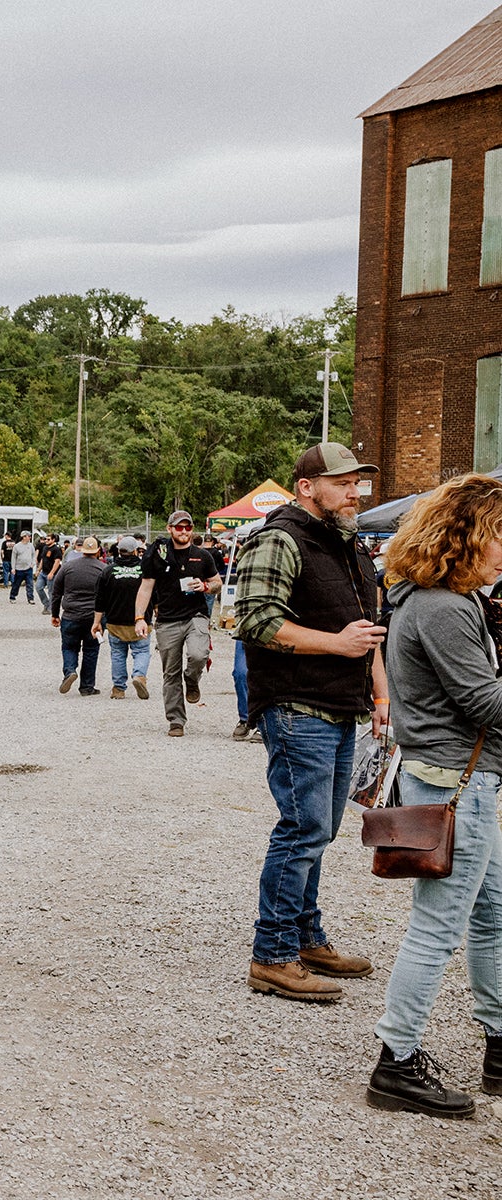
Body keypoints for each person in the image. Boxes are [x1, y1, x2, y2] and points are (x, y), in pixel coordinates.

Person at [364, 473, 502, 1118]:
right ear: (471, 536)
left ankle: (498, 1042)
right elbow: (483, 702)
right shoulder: (442, 608)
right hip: (457, 786)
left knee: (491, 913)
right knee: (438, 927)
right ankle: (396, 1061)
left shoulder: (442, 599)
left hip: (462, 780)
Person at [236, 444, 384, 1002]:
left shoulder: (344, 544)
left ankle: (304, 936)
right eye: (343, 483)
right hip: (297, 705)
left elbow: (368, 629)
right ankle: (271, 955)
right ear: (306, 487)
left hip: (340, 706)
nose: (355, 493)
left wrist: (380, 692)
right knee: (303, 828)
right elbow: (252, 620)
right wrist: (336, 645)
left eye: (357, 484)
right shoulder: (279, 537)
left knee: (319, 829)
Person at [133, 510, 220, 737]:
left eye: (187, 527)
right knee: (170, 673)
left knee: (198, 655)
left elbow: (217, 581)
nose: (183, 531)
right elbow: (145, 587)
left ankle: (192, 680)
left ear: (192, 529)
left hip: (196, 615)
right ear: (170, 529)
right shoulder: (158, 556)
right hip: (167, 620)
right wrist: (140, 618)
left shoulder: (203, 556)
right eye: (179, 527)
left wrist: (207, 587)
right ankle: (176, 720)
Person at [91, 534, 150, 701]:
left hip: (115, 621)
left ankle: (118, 688)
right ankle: (139, 676)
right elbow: (156, 595)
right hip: (140, 620)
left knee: (117, 654)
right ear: (135, 551)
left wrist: (97, 623)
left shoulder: (107, 571)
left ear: (118, 551)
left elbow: (99, 600)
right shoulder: (145, 571)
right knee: (142, 651)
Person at [50, 536, 108, 696]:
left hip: (71, 616)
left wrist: (55, 614)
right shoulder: (103, 569)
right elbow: (108, 596)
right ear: (97, 551)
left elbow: (56, 592)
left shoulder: (68, 567)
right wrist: (105, 619)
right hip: (94, 617)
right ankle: (87, 687)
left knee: (69, 647)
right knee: (91, 650)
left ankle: (69, 671)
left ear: (81, 549)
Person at [35, 533, 62, 614]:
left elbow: (57, 562)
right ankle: (46, 604)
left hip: (51, 574)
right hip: (43, 573)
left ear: (53, 540)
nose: (46, 541)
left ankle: (50, 608)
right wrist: (38, 570)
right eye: (46, 539)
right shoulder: (45, 548)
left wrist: (52, 573)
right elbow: (43, 560)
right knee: (38, 588)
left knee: (51, 591)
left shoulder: (56, 549)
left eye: (48, 539)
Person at [9, 532, 36, 602]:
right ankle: (12, 596)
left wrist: (33, 563)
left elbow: (33, 555)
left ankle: (30, 598)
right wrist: (13, 568)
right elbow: (14, 558)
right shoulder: (17, 546)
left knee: (30, 584)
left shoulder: (31, 546)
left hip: (28, 568)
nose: (29, 537)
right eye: (28, 536)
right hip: (19, 568)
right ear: (24, 537)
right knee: (16, 584)